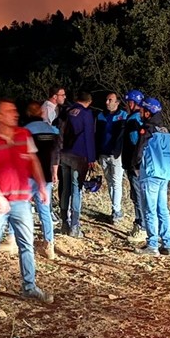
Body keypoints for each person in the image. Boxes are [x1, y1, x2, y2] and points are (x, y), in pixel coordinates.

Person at [0, 99, 52, 303]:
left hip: (21, 200)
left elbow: (33, 161)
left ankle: (29, 286)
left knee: (26, 244)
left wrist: (41, 185)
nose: (15, 114)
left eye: (14, 110)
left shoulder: (23, 135)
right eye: (9, 111)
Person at [135, 97, 170, 257]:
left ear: (147, 112)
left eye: (141, 110)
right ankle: (167, 244)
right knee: (163, 210)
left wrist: (135, 166)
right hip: (164, 173)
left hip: (150, 173)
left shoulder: (146, 130)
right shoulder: (163, 129)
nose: (140, 113)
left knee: (149, 210)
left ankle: (152, 245)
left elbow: (139, 151)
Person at [57, 90, 96, 238]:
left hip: (64, 154)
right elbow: (89, 137)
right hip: (79, 156)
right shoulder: (86, 114)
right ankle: (75, 226)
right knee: (76, 189)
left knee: (65, 188)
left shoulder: (67, 111)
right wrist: (91, 158)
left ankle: (64, 223)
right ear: (89, 102)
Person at [24, 100, 60, 259]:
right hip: (46, 175)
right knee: (45, 210)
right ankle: (49, 244)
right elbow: (56, 154)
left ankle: (22, 240)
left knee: (23, 209)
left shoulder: (25, 131)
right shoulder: (53, 130)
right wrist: (55, 172)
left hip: (29, 176)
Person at [95, 92, 127, 224]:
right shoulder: (101, 115)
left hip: (116, 155)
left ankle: (116, 210)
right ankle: (115, 209)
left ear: (117, 102)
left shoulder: (123, 116)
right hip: (103, 154)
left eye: (110, 100)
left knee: (117, 182)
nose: (107, 102)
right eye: (107, 100)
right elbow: (96, 135)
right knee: (110, 183)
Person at [121, 90, 146, 238]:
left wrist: (134, 163)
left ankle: (141, 227)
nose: (127, 105)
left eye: (128, 102)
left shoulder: (133, 120)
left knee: (137, 195)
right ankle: (140, 224)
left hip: (134, 164)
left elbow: (135, 141)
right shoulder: (140, 118)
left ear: (133, 103)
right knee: (137, 195)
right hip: (138, 164)